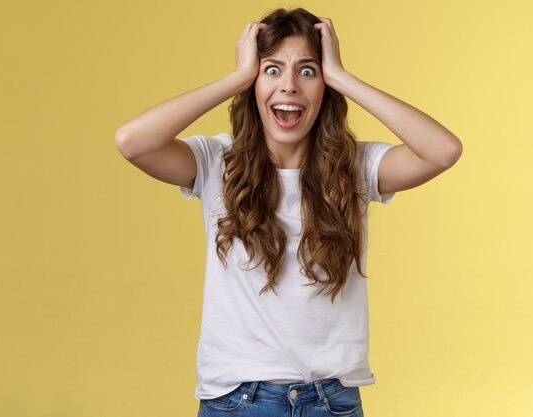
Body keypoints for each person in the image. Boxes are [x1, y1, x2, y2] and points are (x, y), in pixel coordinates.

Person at [115, 7, 462, 417]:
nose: (290, 86)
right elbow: (131, 141)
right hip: (237, 402)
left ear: (325, 86)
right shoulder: (217, 162)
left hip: (331, 403)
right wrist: (236, 78)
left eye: (308, 71)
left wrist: (343, 77)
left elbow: (444, 150)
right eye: (273, 69)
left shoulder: (355, 168)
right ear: (254, 82)